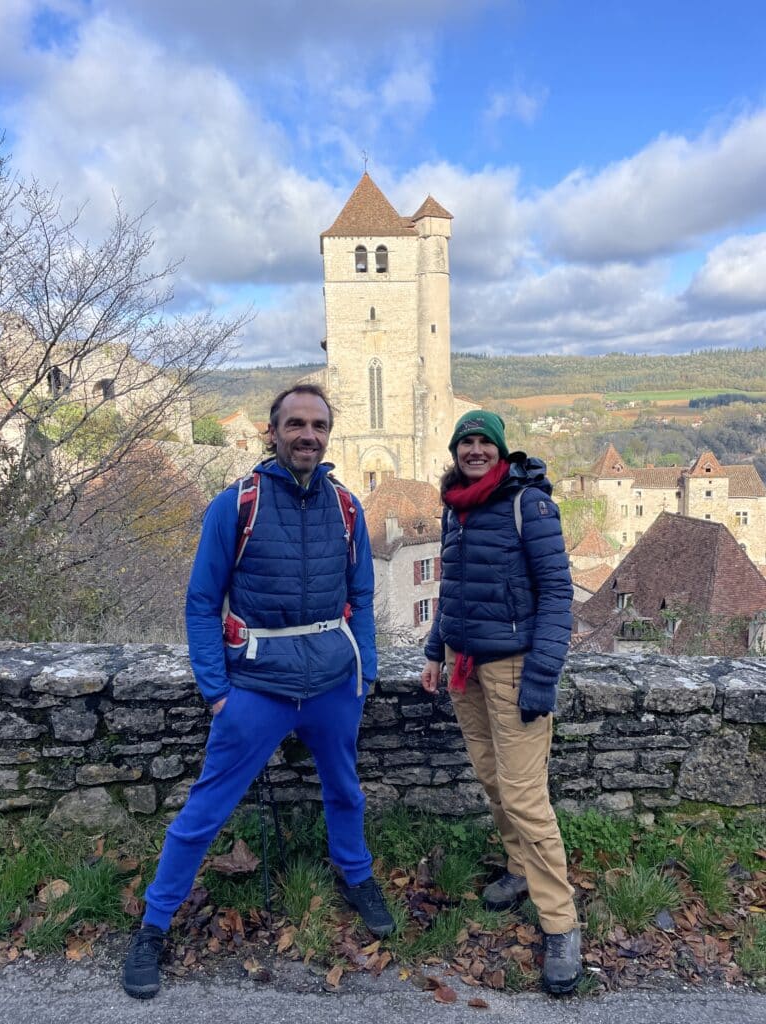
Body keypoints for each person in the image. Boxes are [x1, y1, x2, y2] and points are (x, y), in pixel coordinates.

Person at [122, 383, 394, 1000]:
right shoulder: (236, 504)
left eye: (318, 425)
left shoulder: (348, 508)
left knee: (346, 791)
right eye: (295, 423)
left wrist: (366, 673)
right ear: (273, 432)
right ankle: (154, 926)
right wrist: (216, 691)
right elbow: (200, 601)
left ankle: (357, 876)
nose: (307, 434)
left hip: (330, 684)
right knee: (204, 812)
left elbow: (364, 597)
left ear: (329, 435)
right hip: (255, 687)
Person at [420, 410, 581, 995]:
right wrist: (436, 649)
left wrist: (542, 675)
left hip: (514, 665)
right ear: (455, 450)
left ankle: (561, 924)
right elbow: (453, 590)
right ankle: (518, 869)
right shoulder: (455, 506)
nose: (475, 449)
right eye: (466, 440)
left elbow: (559, 593)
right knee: (491, 778)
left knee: (523, 792)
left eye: (485, 440)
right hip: (466, 663)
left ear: (502, 448)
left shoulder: (527, 503)